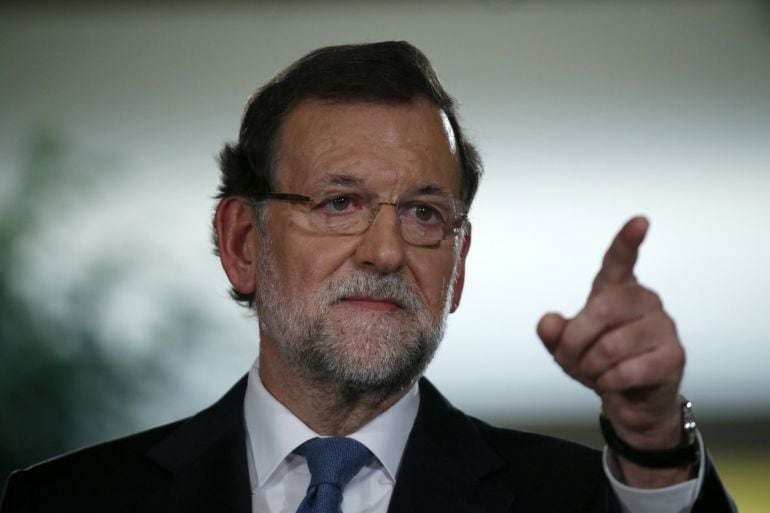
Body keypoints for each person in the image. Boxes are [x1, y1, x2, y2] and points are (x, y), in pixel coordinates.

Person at [0, 41, 734, 513]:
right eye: (340, 202)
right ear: (242, 242)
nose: (386, 251)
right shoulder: (68, 504)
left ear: (459, 265)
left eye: (422, 213)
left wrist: (651, 438)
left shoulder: (579, 500)